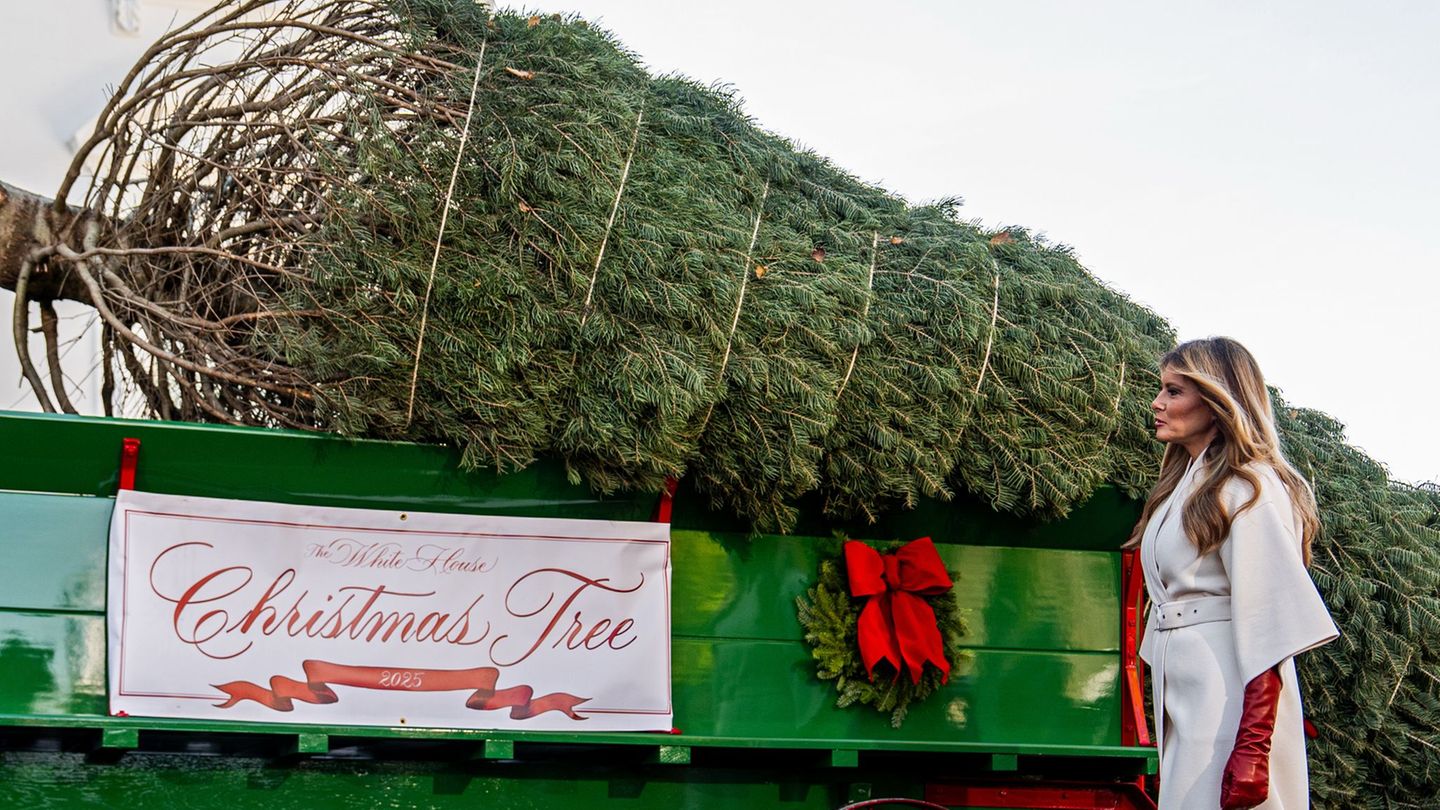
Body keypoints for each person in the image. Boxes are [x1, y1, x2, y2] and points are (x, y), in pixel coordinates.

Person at [1129, 337, 1338, 810]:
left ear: (1218, 399)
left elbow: (1272, 621)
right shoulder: (1186, 485)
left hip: (1228, 690)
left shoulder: (1249, 485)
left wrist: (1253, 749)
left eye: (1174, 391)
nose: (1157, 403)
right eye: (1161, 389)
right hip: (1188, 684)